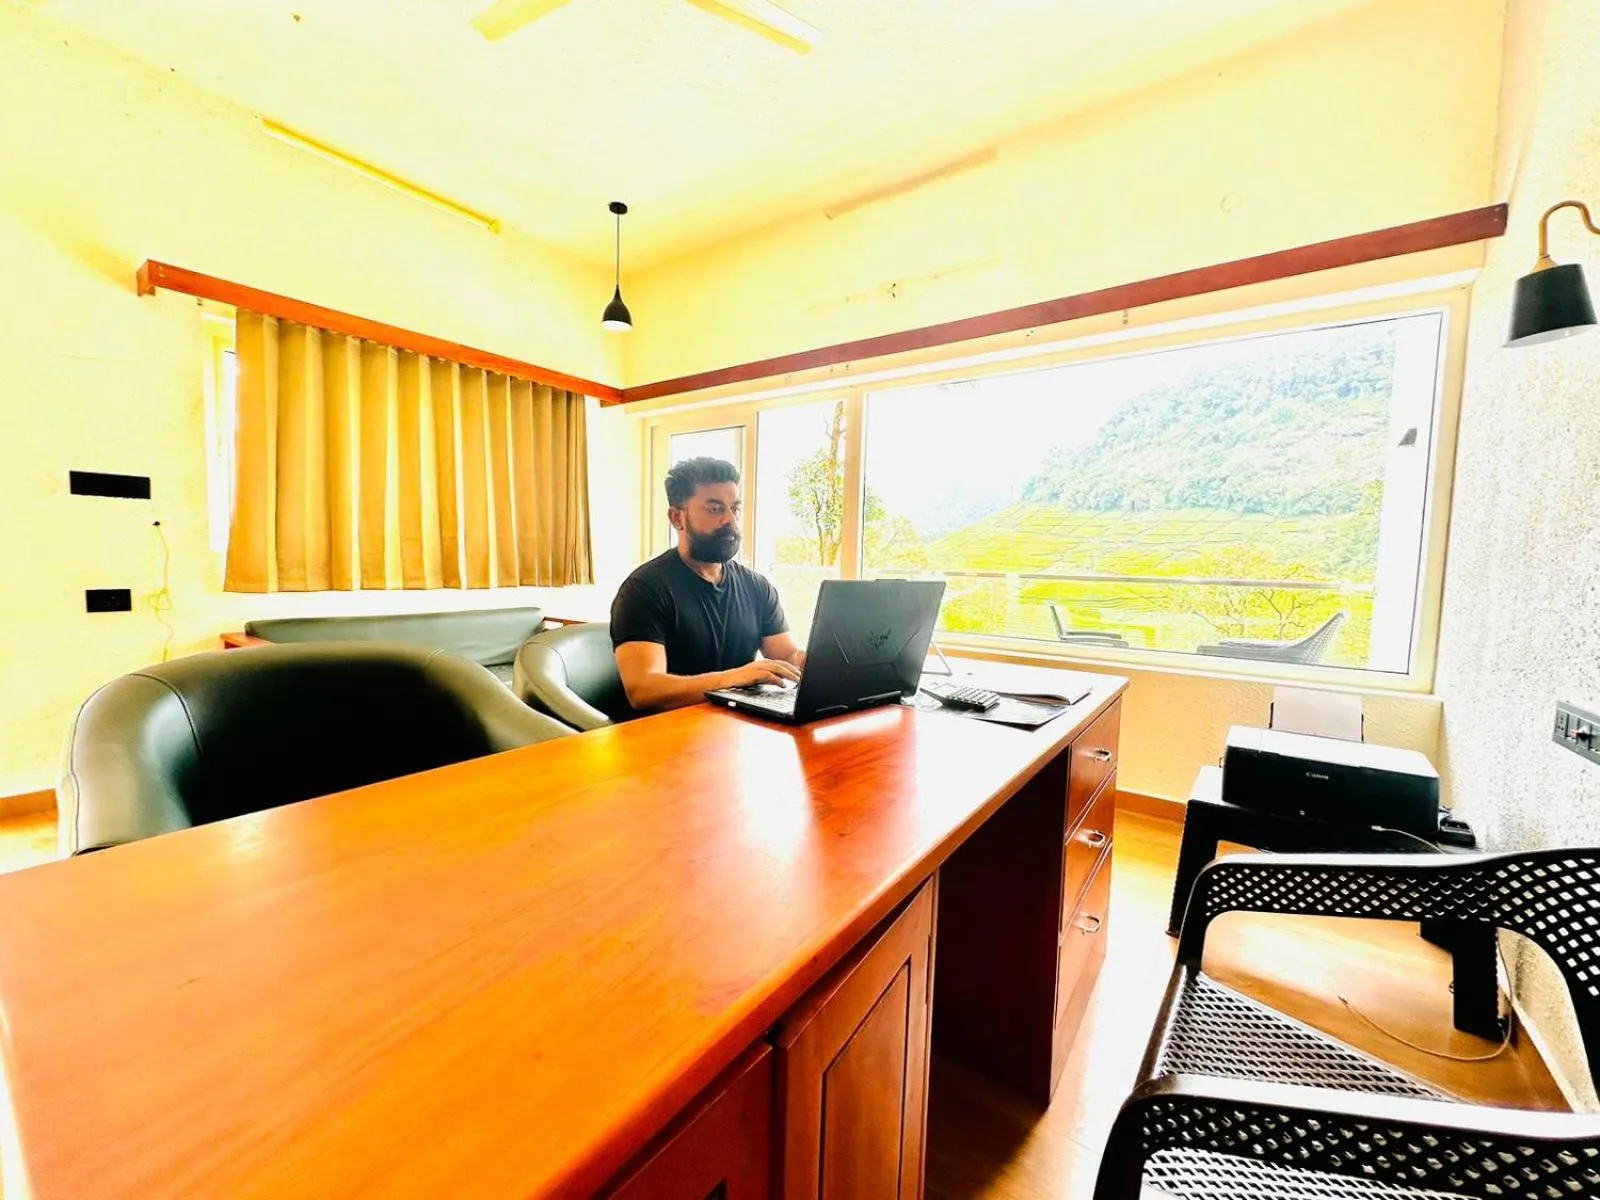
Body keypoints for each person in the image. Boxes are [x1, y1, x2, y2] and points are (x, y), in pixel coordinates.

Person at [612, 457, 806, 712]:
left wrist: (813, 662)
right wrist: (732, 679)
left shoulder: (757, 587)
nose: (731, 521)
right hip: (665, 736)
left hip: (736, 730)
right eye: (715, 509)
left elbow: (787, 656)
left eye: (734, 509)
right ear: (677, 518)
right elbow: (644, 690)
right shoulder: (643, 590)